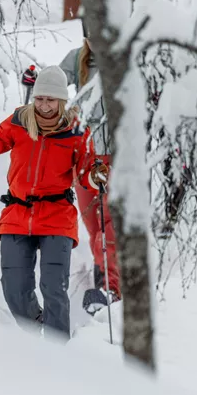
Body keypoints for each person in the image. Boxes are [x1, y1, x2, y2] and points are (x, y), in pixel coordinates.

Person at [0, 66, 108, 339]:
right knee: (13, 286)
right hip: (18, 210)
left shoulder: (76, 130)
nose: (44, 105)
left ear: (62, 101)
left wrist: (96, 175)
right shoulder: (19, 120)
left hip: (57, 214)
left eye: (51, 99)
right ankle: (36, 330)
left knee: (53, 286)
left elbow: (86, 174)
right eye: (40, 98)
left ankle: (56, 349)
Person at [59, 28, 122, 316]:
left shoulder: (123, 58)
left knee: (110, 224)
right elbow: (56, 86)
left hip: (116, 152)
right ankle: (104, 279)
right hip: (84, 154)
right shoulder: (76, 59)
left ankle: (112, 288)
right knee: (93, 225)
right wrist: (36, 82)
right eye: (89, 33)